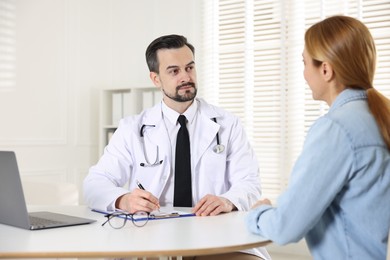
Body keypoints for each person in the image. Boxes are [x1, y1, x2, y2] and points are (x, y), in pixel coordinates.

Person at [84, 34, 270, 260]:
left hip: (216, 236)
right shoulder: (132, 129)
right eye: (174, 71)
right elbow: (94, 183)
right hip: (151, 238)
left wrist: (227, 200)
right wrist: (125, 200)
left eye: (190, 68)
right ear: (156, 79)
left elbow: (249, 182)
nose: (186, 77)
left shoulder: (227, 124)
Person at [246, 15, 390, 260]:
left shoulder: (336, 129)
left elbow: (285, 227)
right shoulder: (378, 118)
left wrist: (258, 213)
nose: (303, 74)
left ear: (325, 69)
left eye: (304, 63)